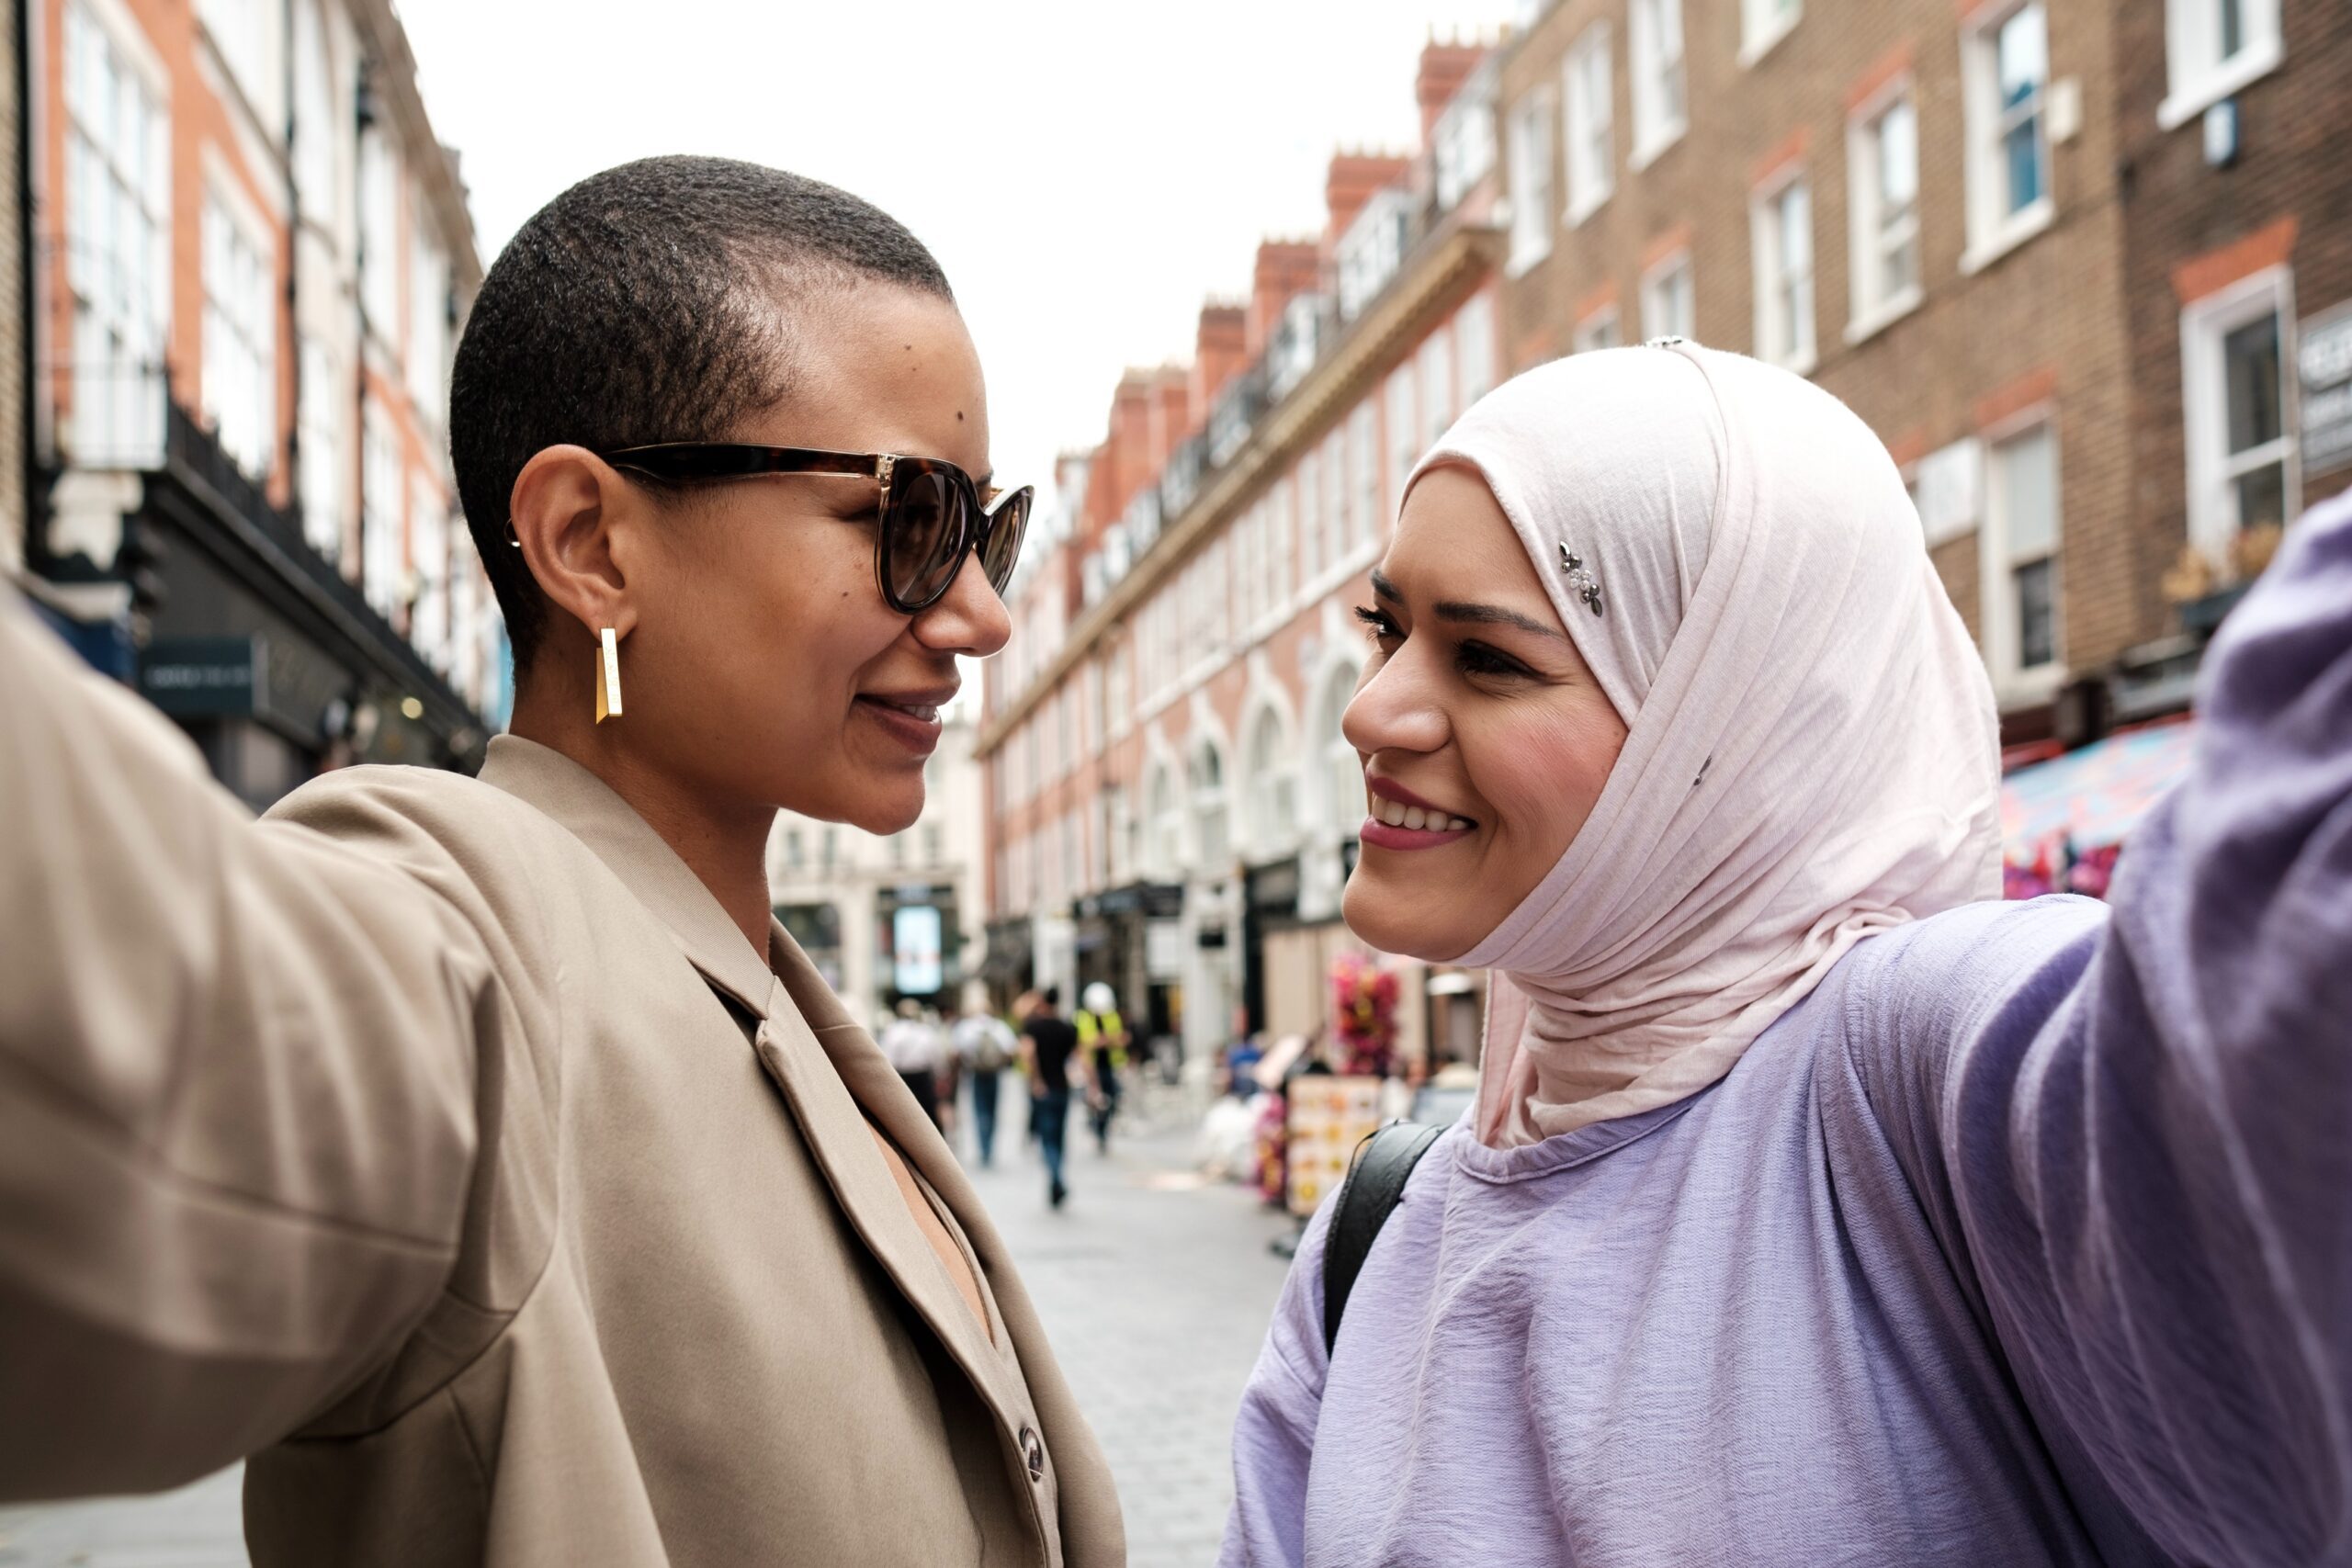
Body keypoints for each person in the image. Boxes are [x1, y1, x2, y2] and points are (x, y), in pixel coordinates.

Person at [0, 156, 1124, 1568]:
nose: (978, 614)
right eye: (908, 521)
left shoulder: (773, 996)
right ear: (590, 544)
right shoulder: (476, 932)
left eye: (988, 531)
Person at [1221, 343, 2352, 1566]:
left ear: (1732, 715)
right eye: (1386, 629)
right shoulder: (1377, 1235)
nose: (1371, 709)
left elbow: (2255, 1036)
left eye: (1488, 656)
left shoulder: (1912, 1067)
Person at [1019, 987, 1087, 1210]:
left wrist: (1036, 1081)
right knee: (1059, 1137)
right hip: (1062, 1089)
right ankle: (1057, 1179)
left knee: (1047, 1139)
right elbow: (1080, 1058)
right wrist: (1090, 1086)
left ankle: (1056, 1178)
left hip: (1043, 1090)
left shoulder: (1033, 1027)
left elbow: (1027, 1054)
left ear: (1041, 1002)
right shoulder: (1067, 1028)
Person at [951, 995, 1019, 1168]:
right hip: (994, 1074)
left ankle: (983, 1149)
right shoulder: (999, 1027)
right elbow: (1011, 1049)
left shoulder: (966, 1027)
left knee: (979, 1111)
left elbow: (956, 1051)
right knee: (993, 1110)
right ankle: (990, 1149)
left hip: (976, 1074)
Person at [1074, 981, 1128, 1155]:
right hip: (1091, 1067)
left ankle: (1102, 1131)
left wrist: (1108, 1041)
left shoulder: (1111, 1017)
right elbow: (1083, 1044)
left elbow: (1120, 1039)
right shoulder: (1082, 1018)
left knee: (1112, 1099)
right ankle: (1095, 1127)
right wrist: (1100, 1041)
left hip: (1110, 1066)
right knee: (1093, 1100)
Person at [878, 997, 947, 1130]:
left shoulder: (892, 1032)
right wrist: (941, 1074)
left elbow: (888, 1058)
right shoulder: (925, 1031)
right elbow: (936, 1056)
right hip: (923, 1077)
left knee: (904, 1116)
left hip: (902, 1077)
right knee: (929, 1115)